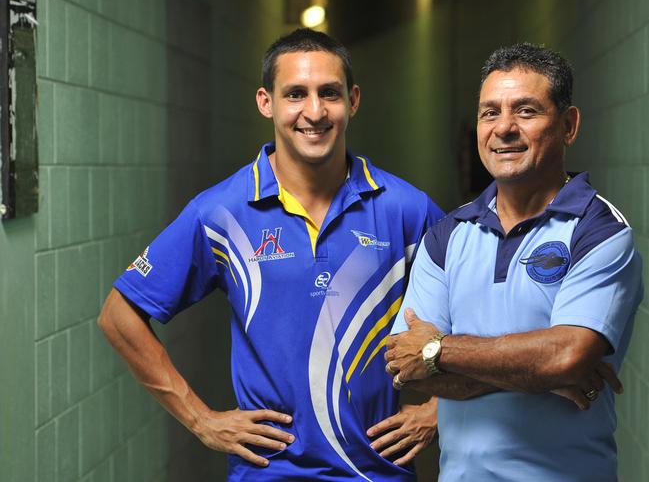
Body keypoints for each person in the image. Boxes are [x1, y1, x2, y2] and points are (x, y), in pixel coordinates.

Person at [98, 28, 445, 481]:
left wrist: (439, 411)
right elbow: (118, 316)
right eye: (296, 94)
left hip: (377, 472)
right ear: (267, 102)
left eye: (330, 94)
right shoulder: (221, 211)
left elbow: (482, 308)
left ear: (353, 101)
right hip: (266, 473)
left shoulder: (406, 209)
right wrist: (201, 420)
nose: (314, 112)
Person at [384, 42, 644, 481]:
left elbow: (566, 356)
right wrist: (538, 373)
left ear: (568, 125)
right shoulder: (446, 237)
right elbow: (407, 368)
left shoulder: (599, 232)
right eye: (490, 112)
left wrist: (439, 349)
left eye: (526, 111)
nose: (503, 128)